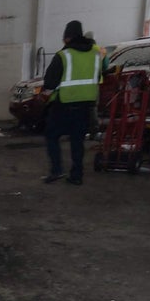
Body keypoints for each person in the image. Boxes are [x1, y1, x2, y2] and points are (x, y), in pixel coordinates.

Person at [41, 20, 103, 185]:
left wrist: (46, 96)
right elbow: (98, 76)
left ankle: (57, 170)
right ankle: (76, 175)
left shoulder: (64, 55)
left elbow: (49, 83)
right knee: (77, 140)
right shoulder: (95, 53)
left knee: (51, 135)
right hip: (86, 105)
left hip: (64, 104)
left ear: (67, 37)